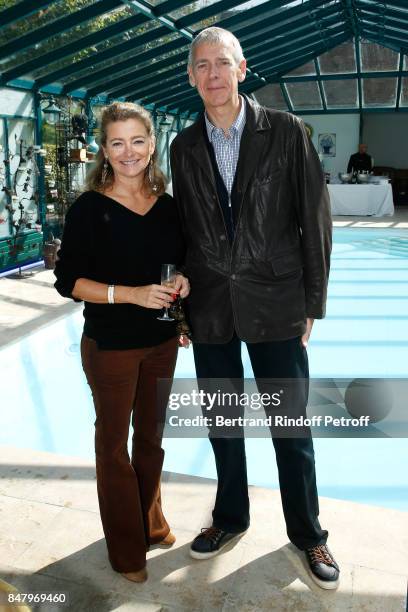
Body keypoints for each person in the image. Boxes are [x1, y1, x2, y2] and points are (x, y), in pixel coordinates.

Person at [170, 27, 340, 590]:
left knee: (290, 426)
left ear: (242, 70)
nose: (213, 74)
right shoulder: (183, 145)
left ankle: (308, 533)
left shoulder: (287, 132)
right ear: (191, 76)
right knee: (224, 423)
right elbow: (180, 235)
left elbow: (313, 216)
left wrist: (312, 300)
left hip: (276, 299)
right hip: (212, 305)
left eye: (222, 63)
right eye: (202, 65)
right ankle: (230, 517)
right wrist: (179, 310)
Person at [54, 102, 190, 583]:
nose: (128, 152)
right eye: (117, 142)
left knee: (151, 438)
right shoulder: (90, 208)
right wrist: (128, 294)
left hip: (161, 340)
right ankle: (126, 549)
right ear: (104, 151)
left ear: (152, 145)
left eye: (137, 141)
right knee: (114, 446)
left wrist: (183, 287)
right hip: (110, 345)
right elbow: (69, 281)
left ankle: (149, 522)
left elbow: (181, 263)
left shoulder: (170, 206)